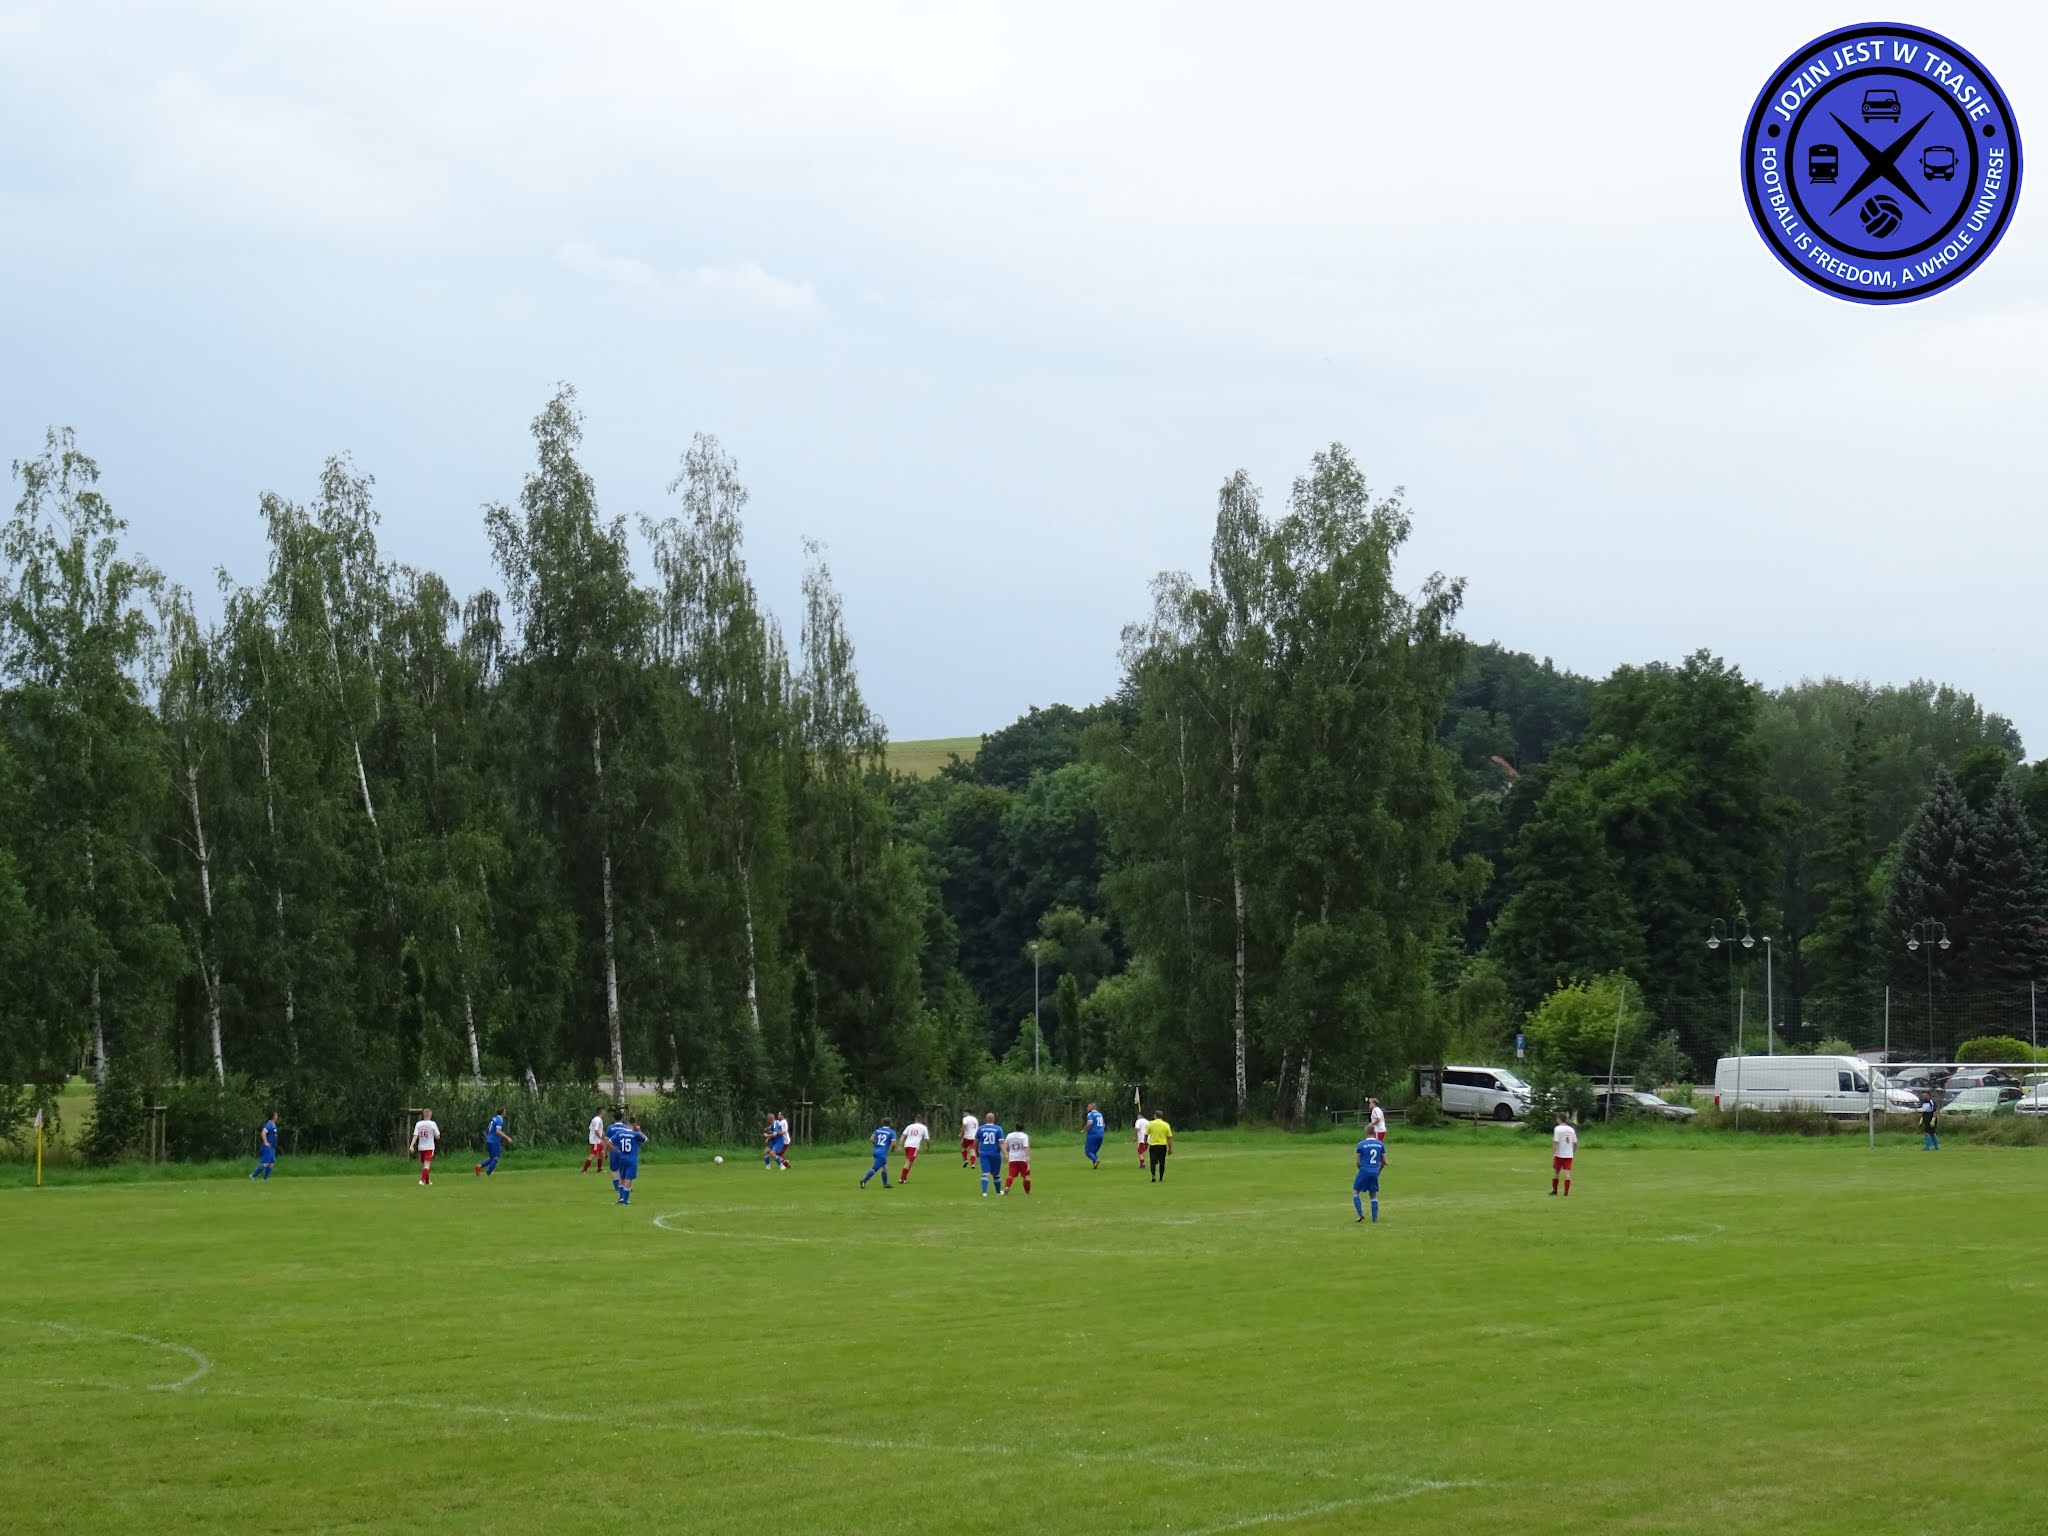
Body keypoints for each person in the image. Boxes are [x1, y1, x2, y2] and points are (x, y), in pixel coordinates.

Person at [608, 1116, 649, 1204]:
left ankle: (621, 1198)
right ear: (635, 1124)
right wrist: (639, 1130)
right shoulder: (635, 1134)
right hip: (631, 1160)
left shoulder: (620, 1133)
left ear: (627, 1123)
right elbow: (646, 1139)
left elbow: (609, 1142)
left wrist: (616, 1150)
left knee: (621, 1178)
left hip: (622, 1158)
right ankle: (625, 1201)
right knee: (628, 1180)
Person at [1353, 1130, 1387, 1223]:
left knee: (1355, 1192)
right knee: (1373, 1195)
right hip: (1374, 1172)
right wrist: (1378, 1171)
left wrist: (1362, 1170)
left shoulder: (1360, 1144)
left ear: (1366, 1132)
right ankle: (1374, 1219)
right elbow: (1384, 1161)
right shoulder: (1381, 1144)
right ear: (1374, 1133)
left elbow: (1358, 1162)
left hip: (1364, 1170)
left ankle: (1360, 1214)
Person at [860, 1119, 897, 1188]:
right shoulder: (892, 1132)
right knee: (874, 1168)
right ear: (890, 1123)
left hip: (876, 1151)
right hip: (882, 1153)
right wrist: (892, 1149)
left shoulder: (877, 1130)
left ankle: (885, 1184)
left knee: (885, 1168)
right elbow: (893, 1144)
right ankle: (863, 1181)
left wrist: (877, 1144)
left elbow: (871, 1139)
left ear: (882, 1123)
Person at [409, 1109, 441, 1186]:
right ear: (430, 1115)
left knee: (425, 1165)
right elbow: (437, 1136)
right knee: (427, 1165)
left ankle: (427, 1181)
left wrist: (411, 1145)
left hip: (421, 1147)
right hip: (429, 1147)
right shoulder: (432, 1124)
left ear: (423, 1115)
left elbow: (415, 1135)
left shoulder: (418, 1124)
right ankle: (422, 1180)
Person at [976, 1113, 1005, 1196]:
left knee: (985, 1173)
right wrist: (1005, 1153)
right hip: (995, 1153)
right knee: (996, 1174)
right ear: (994, 1119)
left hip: (984, 1153)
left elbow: (976, 1142)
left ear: (986, 1119)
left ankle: (984, 1192)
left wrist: (976, 1151)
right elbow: (1001, 1142)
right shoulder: (998, 1129)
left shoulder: (980, 1129)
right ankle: (998, 1192)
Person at [1550, 1111, 1578, 1196]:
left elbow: (1556, 1142)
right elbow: (1575, 1143)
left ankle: (1555, 1191)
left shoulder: (1557, 1129)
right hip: (1568, 1155)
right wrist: (1573, 1152)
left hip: (1559, 1154)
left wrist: (1553, 1154)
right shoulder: (1571, 1129)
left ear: (1559, 1119)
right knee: (1567, 1174)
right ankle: (1566, 1193)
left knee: (1556, 1173)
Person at [249, 1111, 279, 1182]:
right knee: (266, 1163)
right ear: (273, 1116)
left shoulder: (273, 1125)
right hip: (268, 1147)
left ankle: (265, 1178)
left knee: (271, 1163)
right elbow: (263, 1133)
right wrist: (266, 1142)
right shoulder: (269, 1124)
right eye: (276, 1115)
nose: (277, 1117)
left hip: (272, 1147)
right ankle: (253, 1175)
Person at [1003, 1124, 1032, 1194]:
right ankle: (1027, 1191)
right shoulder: (1024, 1136)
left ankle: (1007, 1187)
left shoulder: (1009, 1135)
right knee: (1026, 1176)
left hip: (1012, 1159)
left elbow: (1006, 1146)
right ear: (1023, 1129)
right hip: (1022, 1158)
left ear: (1015, 1128)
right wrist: (1027, 1156)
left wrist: (1007, 1154)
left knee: (1011, 1175)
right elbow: (1025, 1147)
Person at [900, 1115, 929, 1182]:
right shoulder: (923, 1127)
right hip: (914, 1146)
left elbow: (903, 1136)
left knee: (910, 1162)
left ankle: (904, 1178)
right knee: (908, 1162)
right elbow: (927, 1139)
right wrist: (929, 1147)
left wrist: (900, 1145)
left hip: (907, 1145)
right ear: (921, 1121)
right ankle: (902, 1178)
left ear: (915, 1120)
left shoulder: (909, 1126)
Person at [1146, 1113, 1173, 1182]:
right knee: (1162, 1162)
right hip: (1162, 1145)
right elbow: (1169, 1137)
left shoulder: (1150, 1124)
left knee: (1152, 1162)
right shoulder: (1166, 1125)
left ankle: (1153, 1176)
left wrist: (1145, 1144)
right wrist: (1170, 1148)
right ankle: (1161, 1177)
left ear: (1155, 1116)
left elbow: (1146, 1135)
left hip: (1153, 1145)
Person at [1083, 1102, 1106, 1168]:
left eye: (1088, 1107)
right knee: (1094, 1151)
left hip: (1093, 1134)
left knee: (1088, 1151)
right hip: (1101, 1134)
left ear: (1091, 1108)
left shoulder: (1090, 1114)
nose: (1087, 1108)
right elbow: (1103, 1125)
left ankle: (1096, 1160)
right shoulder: (1100, 1114)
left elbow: (1090, 1123)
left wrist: (1084, 1130)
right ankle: (1095, 1164)